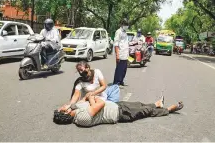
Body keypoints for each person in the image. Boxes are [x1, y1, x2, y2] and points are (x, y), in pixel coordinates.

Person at [54, 95, 184, 127]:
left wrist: (89, 98)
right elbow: (100, 103)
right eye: (63, 108)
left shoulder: (75, 108)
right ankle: (168, 109)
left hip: (116, 105)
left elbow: (86, 98)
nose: (64, 105)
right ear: (66, 113)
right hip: (120, 114)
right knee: (146, 111)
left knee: (140, 104)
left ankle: (157, 104)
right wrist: (92, 99)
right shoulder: (81, 119)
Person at [113, 18, 129, 88]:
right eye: (125, 24)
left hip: (125, 54)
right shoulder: (118, 32)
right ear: (122, 24)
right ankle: (116, 83)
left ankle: (121, 81)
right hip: (120, 54)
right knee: (119, 69)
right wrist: (117, 55)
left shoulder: (125, 32)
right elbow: (116, 44)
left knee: (124, 69)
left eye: (127, 24)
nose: (126, 26)